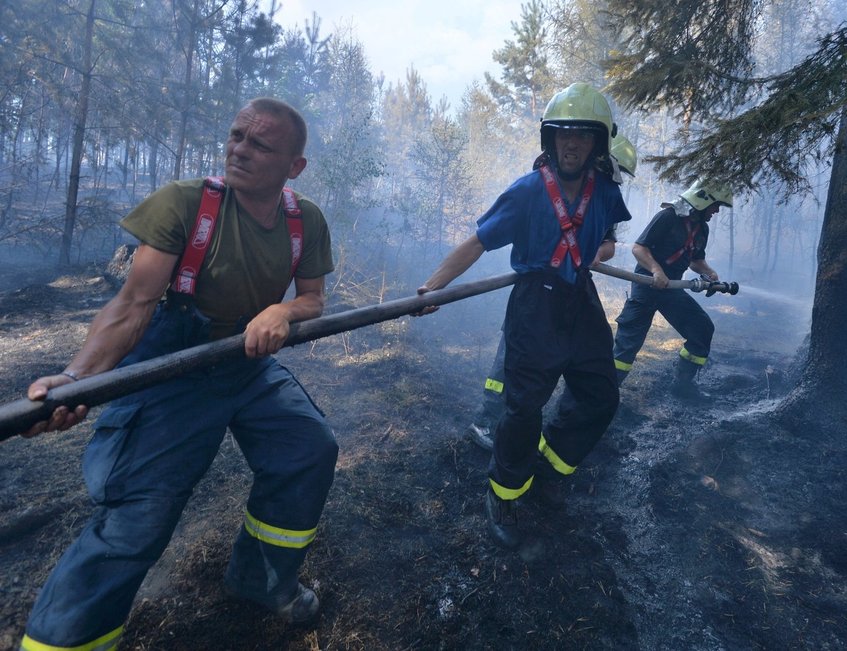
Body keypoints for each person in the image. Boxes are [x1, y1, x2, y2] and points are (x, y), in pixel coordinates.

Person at [17, 97, 339, 650]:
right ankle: (61, 643)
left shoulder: (303, 219)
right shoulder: (187, 206)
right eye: (237, 135)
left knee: (308, 447)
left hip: (245, 364)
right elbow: (133, 304)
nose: (240, 148)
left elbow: (312, 299)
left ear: (294, 166)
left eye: (260, 143)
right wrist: (78, 376)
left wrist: (280, 311)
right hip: (175, 364)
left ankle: (261, 581)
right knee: (138, 513)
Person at [416, 82, 632, 549]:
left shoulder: (608, 194)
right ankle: (505, 493)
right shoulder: (527, 191)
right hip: (535, 304)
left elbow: (601, 239)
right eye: (562, 133)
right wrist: (434, 286)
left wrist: (583, 255)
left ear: (597, 143)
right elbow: (478, 241)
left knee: (600, 395)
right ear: (550, 140)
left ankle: (550, 467)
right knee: (523, 408)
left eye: (582, 134)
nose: (571, 142)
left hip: (582, 300)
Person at [466, 133, 639, 451]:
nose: (613, 180)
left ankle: (521, 431)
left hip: (571, 293)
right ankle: (485, 419)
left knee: (542, 373)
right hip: (534, 295)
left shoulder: (600, 194)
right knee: (509, 363)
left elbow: (609, 241)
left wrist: (595, 253)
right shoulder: (542, 188)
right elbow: (488, 237)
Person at [611, 179, 733, 400]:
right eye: (716, 205)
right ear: (702, 200)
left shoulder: (701, 228)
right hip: (646, 285)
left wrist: (709, 272)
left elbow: (695, 259)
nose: (716, 211)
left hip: (672, 288)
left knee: (702, 328)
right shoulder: (668, 217)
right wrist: (657, 271)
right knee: (627, 345)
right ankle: (605, 395)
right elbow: (639, 248)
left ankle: (683, 386)